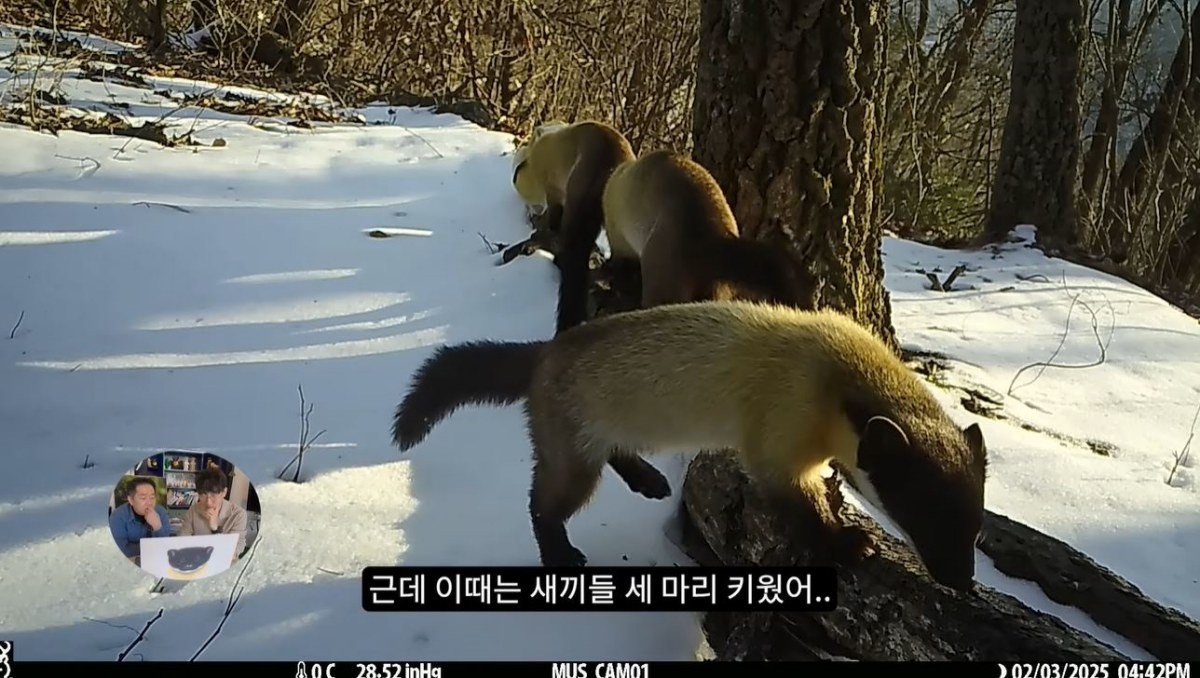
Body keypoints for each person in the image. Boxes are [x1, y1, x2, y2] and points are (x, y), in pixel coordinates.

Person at [180, 467, 248, 561]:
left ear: (224, 492)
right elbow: (182, 538)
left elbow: (235, 550)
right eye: (203, 495)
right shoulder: (193, 509)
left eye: (213, 495)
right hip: (197, 560)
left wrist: (215, 529)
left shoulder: (238, 514)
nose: (208, 502)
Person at [108, 477, 171, 564]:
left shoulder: (161, 512)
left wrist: (157, 527)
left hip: (156, 561)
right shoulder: (117, 517)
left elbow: (165, 547)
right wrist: (152, 547)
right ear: (131, 500)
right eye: (143, 498)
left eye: (152, 497)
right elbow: (121, 549)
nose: (149, 503)